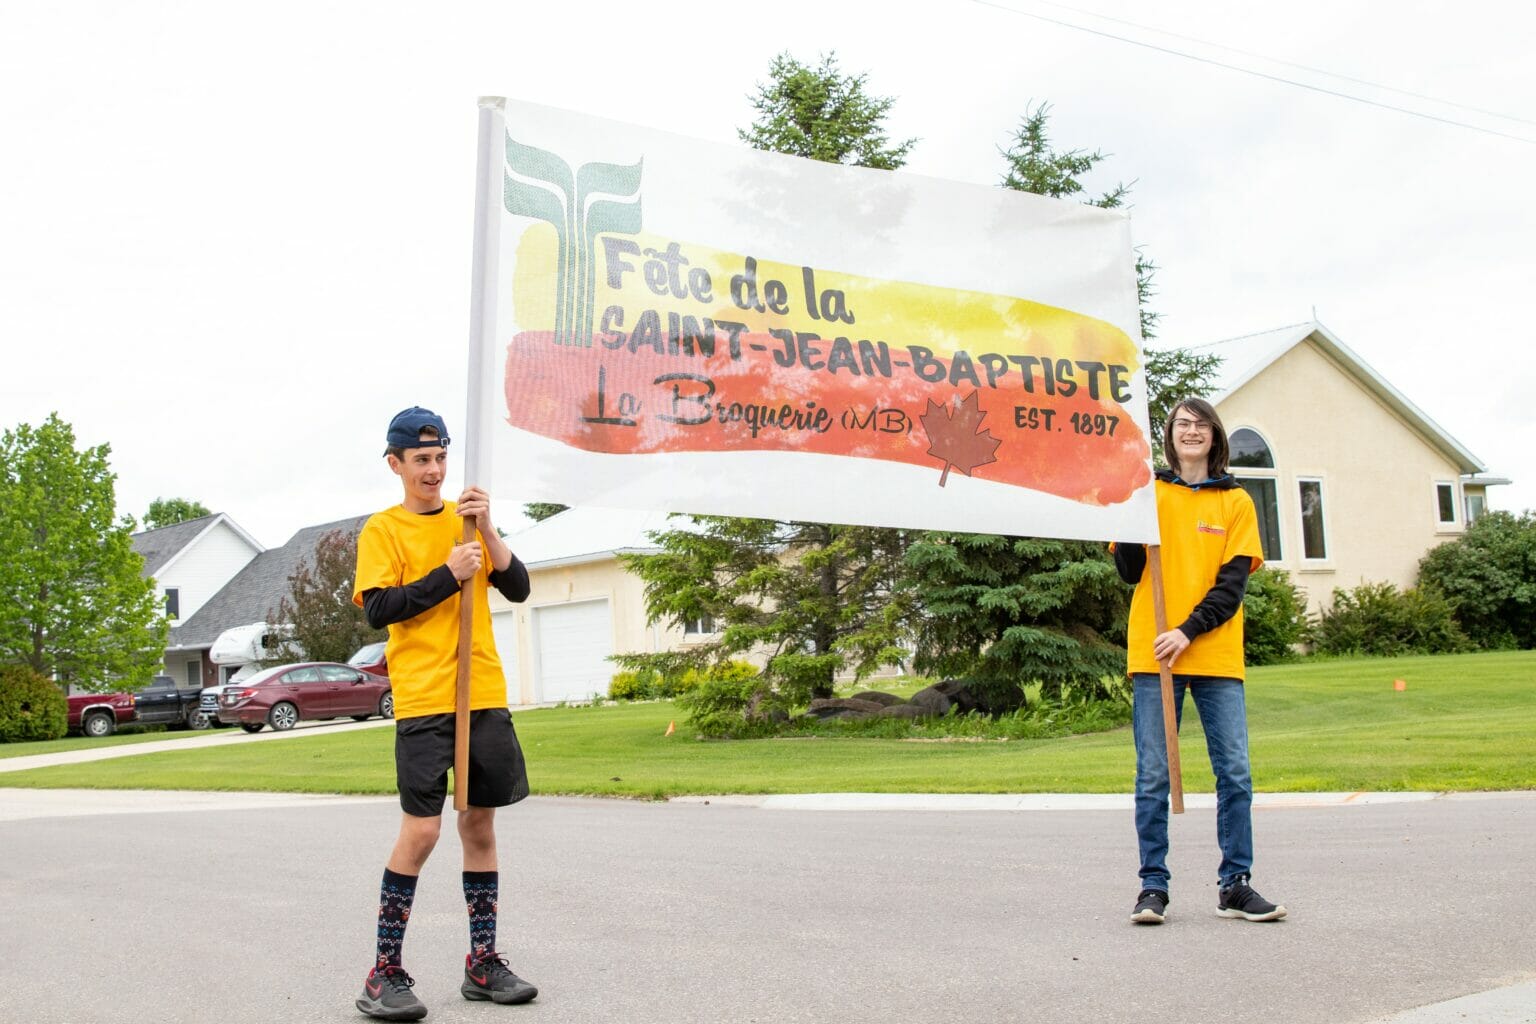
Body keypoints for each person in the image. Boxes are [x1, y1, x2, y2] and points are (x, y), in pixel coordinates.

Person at [351, 406, 537, 1020]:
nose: (433, 471)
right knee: (423, 830)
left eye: (440, 458)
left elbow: (518, 589)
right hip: (426, 698)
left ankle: (482, 964)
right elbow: (381, 609)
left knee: (479, 826)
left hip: (480, 689)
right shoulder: (384, 530)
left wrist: (485, 531)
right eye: (421, 460)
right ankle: (384, 973)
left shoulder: (468, 523)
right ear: (396, 465)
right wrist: (448, 575)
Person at [1113, 397, 1287, 926]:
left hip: (1211, 652)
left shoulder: (1235, 501)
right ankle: (1152, 888)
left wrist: (1186, 632)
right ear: (1170, 436)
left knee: (1234, 774)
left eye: (1200, 424)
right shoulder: (1149, 493)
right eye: (1181, 424)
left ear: (1215, 435)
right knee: (1153, 776)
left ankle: (1235, 884)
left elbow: (1231, 588)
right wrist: (1131, 511)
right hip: (1154, 652)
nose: (1191, 431)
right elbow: (1128, 570)